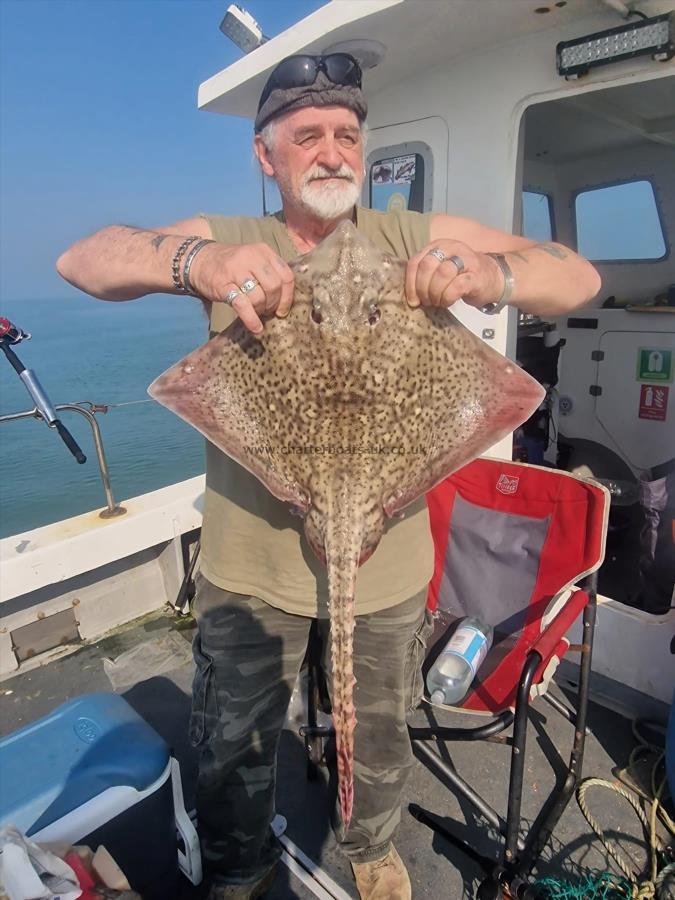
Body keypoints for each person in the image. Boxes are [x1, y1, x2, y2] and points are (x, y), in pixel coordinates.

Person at [57, 53, 601, 900]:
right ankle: (238, 866)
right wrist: (196, 263)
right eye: (306, 134)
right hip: (251, 576)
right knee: (233, 743)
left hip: (386, 564)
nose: (332, 151)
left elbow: (576, 273)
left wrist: (489, 276)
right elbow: (84, 260)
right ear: (264, 154)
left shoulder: (409, 237)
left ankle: (372, 846)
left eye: (347, 134)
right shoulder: (231, 234)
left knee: (379, 728)